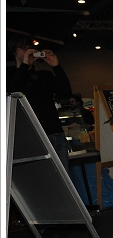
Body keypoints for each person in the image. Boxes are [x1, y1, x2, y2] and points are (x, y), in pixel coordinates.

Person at [7, 33, 72, 173]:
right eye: (24, 48)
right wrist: (24, 65)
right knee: (41, 176)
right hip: (32, 137)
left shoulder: (44, 75)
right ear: (14, 51)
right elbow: (14, 92)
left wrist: (56, 66)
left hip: (56, 134)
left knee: (63, 177)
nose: (29, 51)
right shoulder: (9, 74)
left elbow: (65, 93)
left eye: (30, 47)